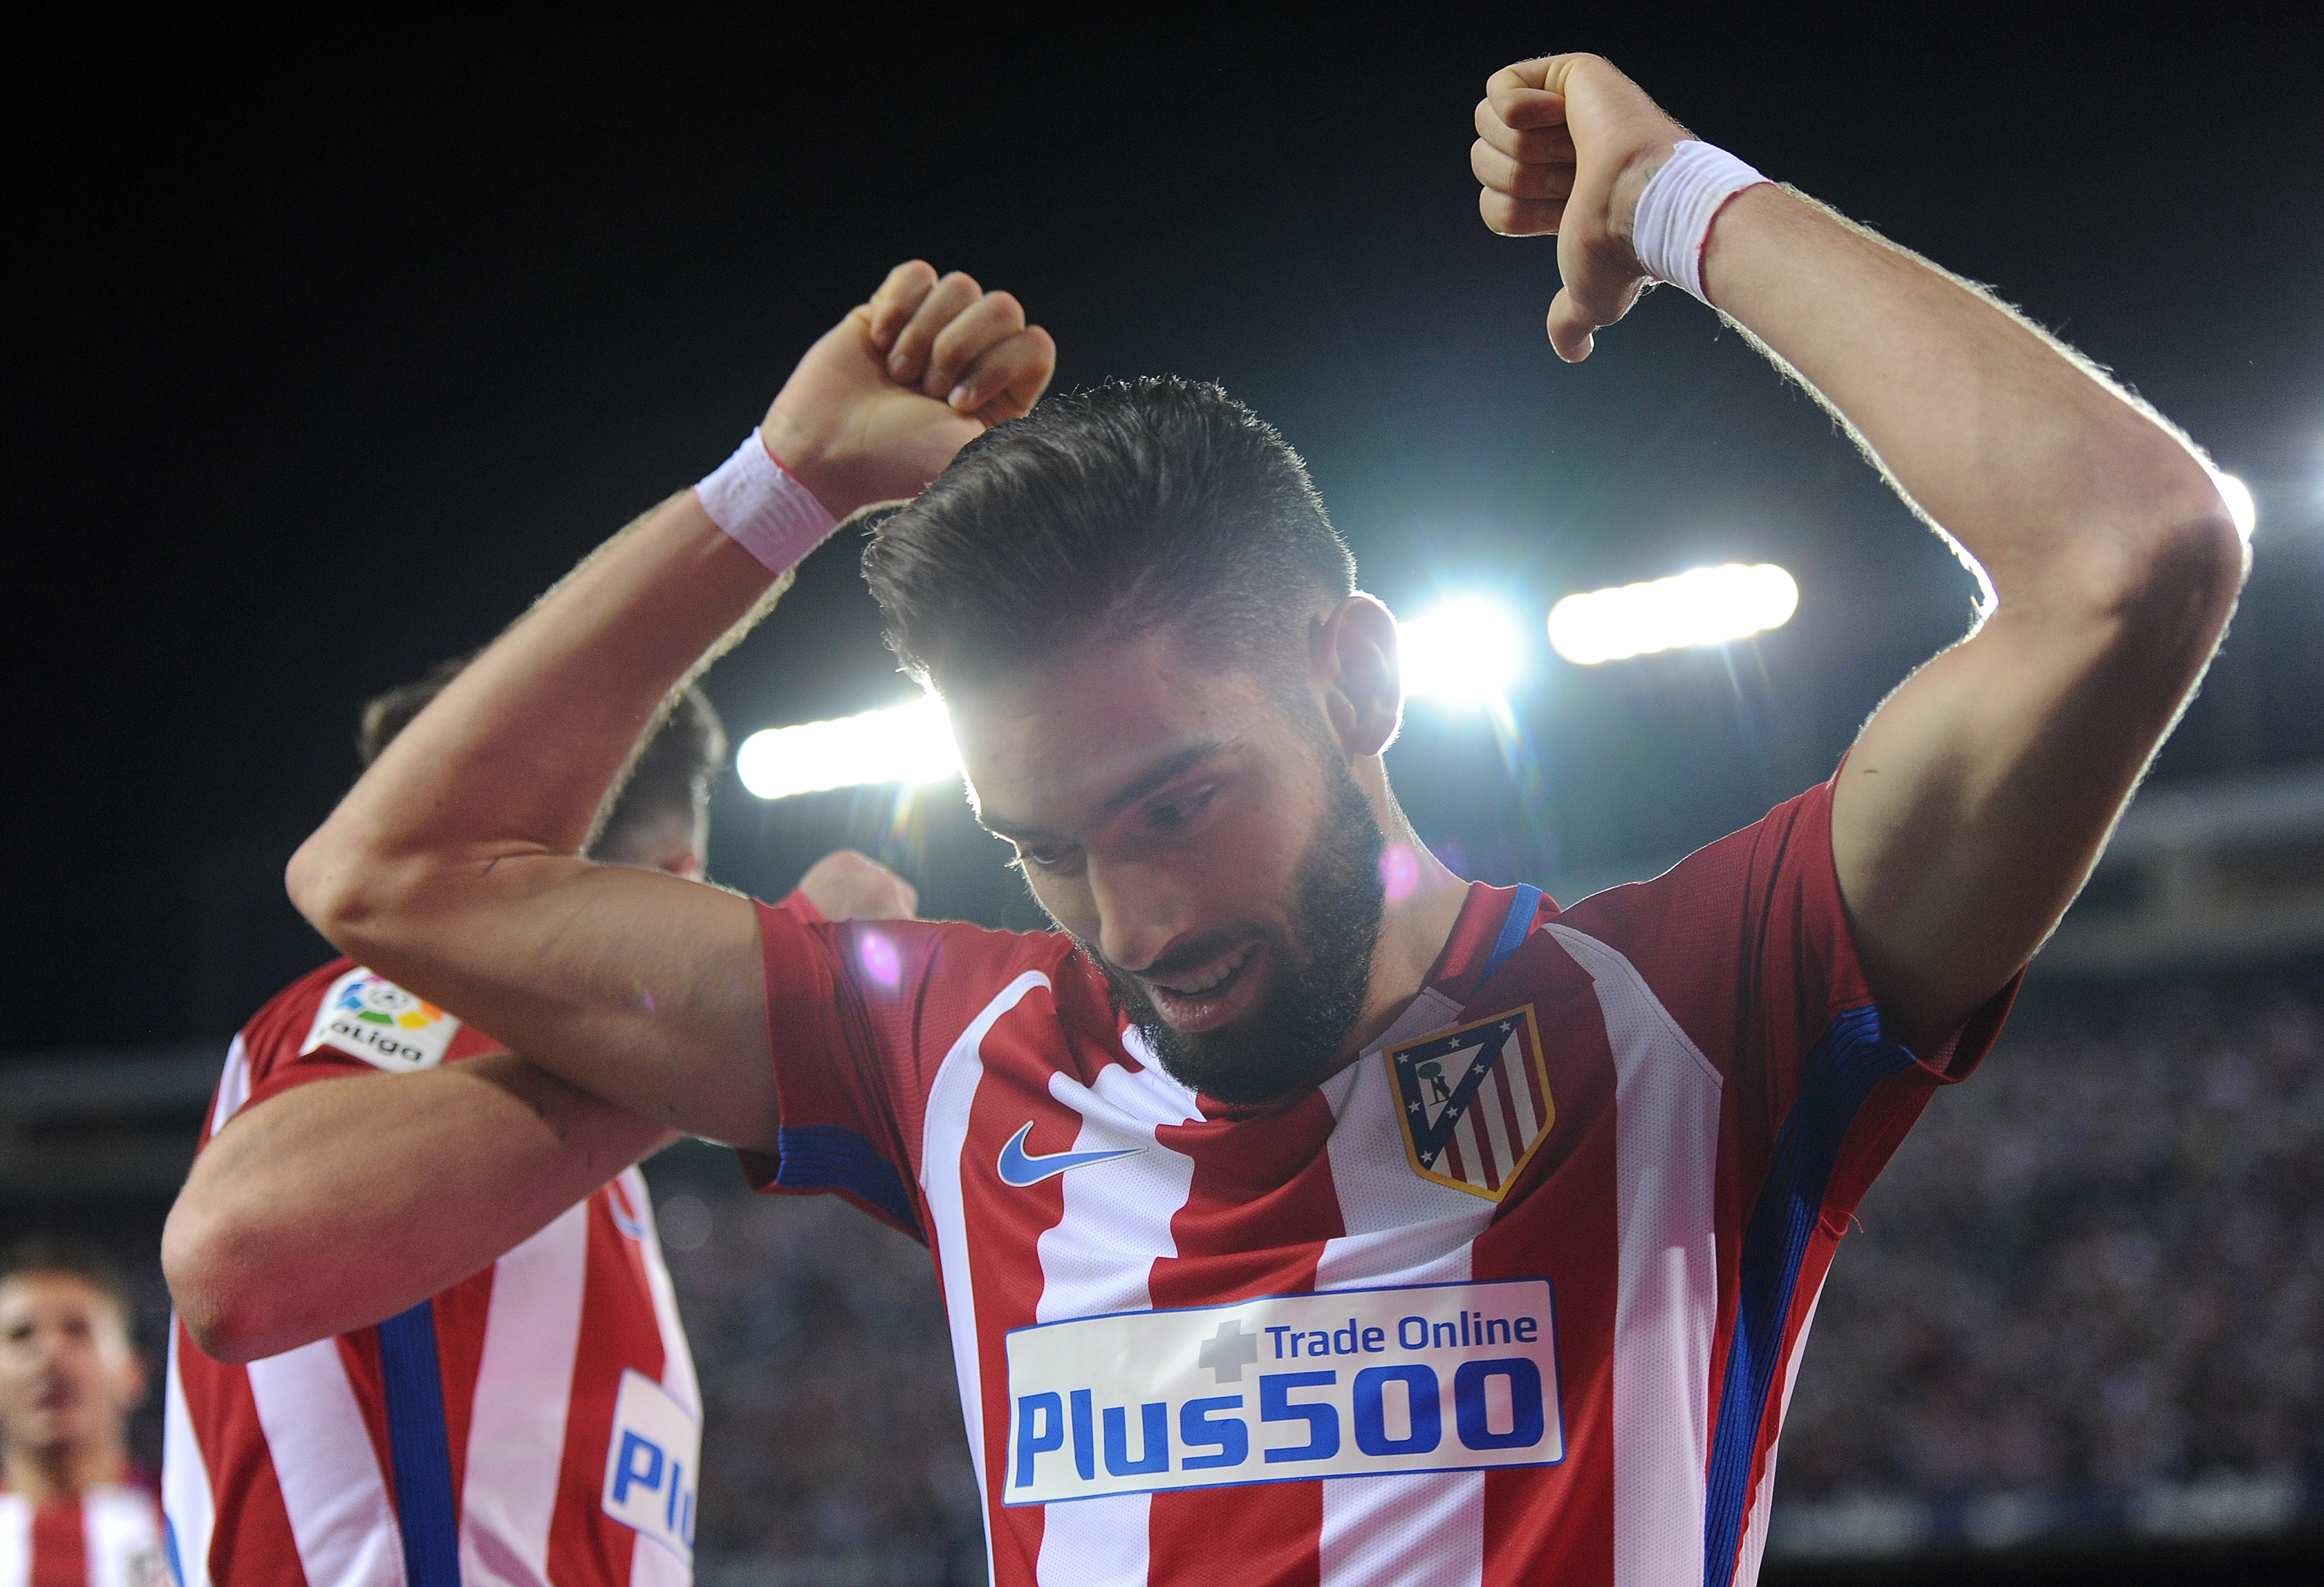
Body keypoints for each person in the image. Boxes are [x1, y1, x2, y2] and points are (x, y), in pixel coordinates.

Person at [280, 50, 2247, 1587]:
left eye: (1177, 797)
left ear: (1359, 678)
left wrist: (1675, 198)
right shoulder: (952, 1047)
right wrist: (778, 485)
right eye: (1041, 842)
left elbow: (2131, 551)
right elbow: (384, 876)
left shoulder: (1688, 1014)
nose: (1130, 916)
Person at [159, 663, 915, 1587]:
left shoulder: (557, 1140)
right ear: (681, 877)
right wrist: (758, 1004)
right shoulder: (417, 998)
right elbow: (245, 1245)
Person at [0, 1238, 169, 1587]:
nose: (50, 1352)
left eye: (78, 1330)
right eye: (21, 1335)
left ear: (132, 1374)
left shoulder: (191, 1521)